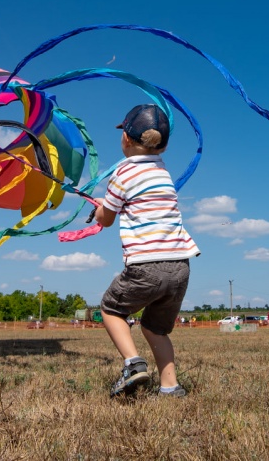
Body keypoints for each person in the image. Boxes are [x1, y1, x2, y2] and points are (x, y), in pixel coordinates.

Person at [92, 103, 200, 398]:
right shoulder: (162, 172)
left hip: (146, 266)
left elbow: (106, 219)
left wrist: (100, 209)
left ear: (126, 138)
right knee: (156, 328)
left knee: (111, 309)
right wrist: (108, 205)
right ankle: (170, 386)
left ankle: (133, 363)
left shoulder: (122, 173)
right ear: (163, 145)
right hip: (180, 266)